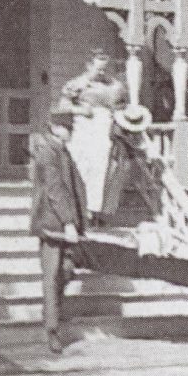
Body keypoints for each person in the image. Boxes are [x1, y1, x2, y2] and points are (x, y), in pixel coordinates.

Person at [29, 109, 86, 354]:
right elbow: (54, 189)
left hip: (65, 224)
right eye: (66, 127)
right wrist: (68, 222)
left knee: (66, 270)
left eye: (71, 127)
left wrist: (82, 217)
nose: (70, 132)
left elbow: (73, 187)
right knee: (52, 275)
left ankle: (51, 312)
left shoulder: (62, 150)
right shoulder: (46, 151)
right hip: (52, 225)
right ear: (53, 127)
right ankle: (52, 330)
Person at [60, 49, 127, 225]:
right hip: (84, 129)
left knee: (102, 170)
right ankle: (80, 210)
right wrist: (80, 110)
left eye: (105, 69)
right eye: (99, 69)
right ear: (89, 66)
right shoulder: (77, 84)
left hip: (104, 130)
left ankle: (96, 212)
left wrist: (118, 122)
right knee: (82, 168)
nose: (102, 73)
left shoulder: (114, 86)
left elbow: (121, 108)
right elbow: (63, 106)